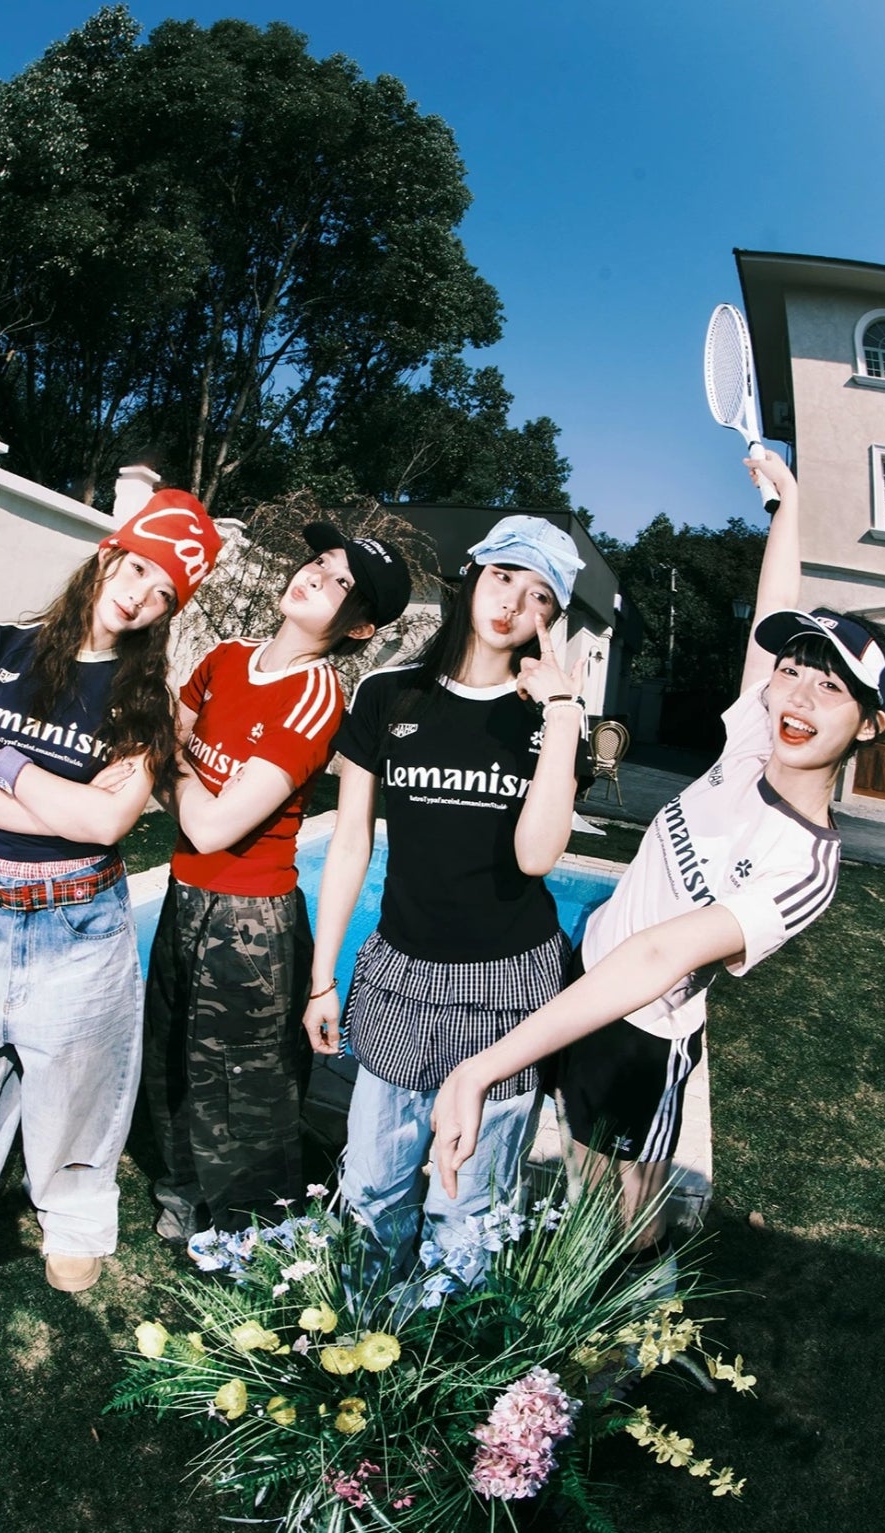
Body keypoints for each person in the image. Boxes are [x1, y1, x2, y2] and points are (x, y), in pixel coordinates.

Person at [428, 451, 885, 1261]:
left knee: (624, 1208)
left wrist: (479, 1068)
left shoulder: (802, 866)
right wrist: (786, 506)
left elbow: (657, 957)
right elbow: (774, 606)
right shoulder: (752, 741)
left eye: (830, 687)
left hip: (643, 1029)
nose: (794, 695)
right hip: (585, 973)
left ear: (869, 724)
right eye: (789, 673)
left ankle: (632, 1304)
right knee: (579, 1169)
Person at [0, 490, 223, 1299]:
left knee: (73, 1087)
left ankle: (72, 1223)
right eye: (137, 570)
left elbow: (105, 822)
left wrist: (2, 764)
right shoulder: (1, 647)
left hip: (77, 921)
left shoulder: (144, 699)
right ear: (109, 555)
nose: (140, 595)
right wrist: (53, 803)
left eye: (163, 593)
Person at [303, 515, 590, 1290]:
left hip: (507, 986)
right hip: (398, 974)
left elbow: (536, 855)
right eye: (503, 577)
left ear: (551, 619)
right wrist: (323, 977)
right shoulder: (388, 693)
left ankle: (443, 1353)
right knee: (371, 1186)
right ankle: (360, 1339)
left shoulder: (552, 719)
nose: (512, 604)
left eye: (539, 597)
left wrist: (563, 713)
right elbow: (351, 842)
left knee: (468, 1209)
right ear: (471, 575)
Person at [137, 523, 412, 1242]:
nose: (316, 574)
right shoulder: (225, 656)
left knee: (246, 1085)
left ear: (360, 629)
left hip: (249, 920)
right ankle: (182, 1193)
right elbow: (160, 748)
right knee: (170, 1053)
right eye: (319, 561)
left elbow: (212, 824)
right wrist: (179, 771)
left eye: (342, 582)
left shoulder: (315, 696)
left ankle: (251, 1230)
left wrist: (172, 767)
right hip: (184, 895)